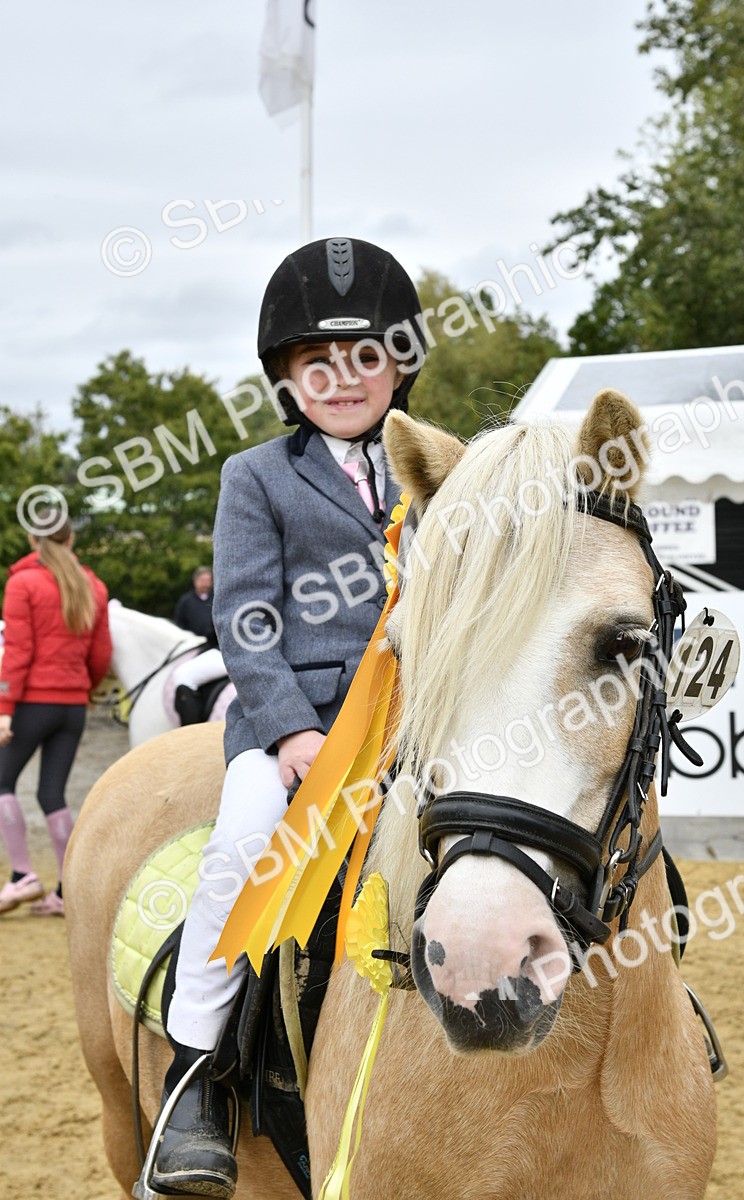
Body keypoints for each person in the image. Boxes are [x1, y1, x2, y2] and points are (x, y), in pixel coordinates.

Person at [144, 237, 425, 1199]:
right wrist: (292, 729)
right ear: (287, 378)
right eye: (317, 364)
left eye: (364, 358)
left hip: (424, 717)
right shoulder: (254, 476)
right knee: (240, 851)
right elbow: (247, 617)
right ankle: (196, 1082)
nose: (342, 380)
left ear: (400, 363)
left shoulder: (446, 469)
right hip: (298, 724)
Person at [0, 510, 112, 916]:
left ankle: (22, 876)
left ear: (33, 541)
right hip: (72, 706)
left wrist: (4, 708)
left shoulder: (22, 583)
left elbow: (17, 651)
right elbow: (100, 655)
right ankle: (66, 891)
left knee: (2, 781)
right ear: (71, 539)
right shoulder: (94, 586)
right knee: (52, 793)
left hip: (33, 702)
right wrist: (85, 688)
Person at [172, 567, 226, 725]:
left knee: (183, 675)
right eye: (202, 579)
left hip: (224, 648)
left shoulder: (216, 596)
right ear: (195, 581)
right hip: (195, 643)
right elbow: (179, 624)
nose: (205, 583)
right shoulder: (186, 601)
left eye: (208, 579)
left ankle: (190, 733)